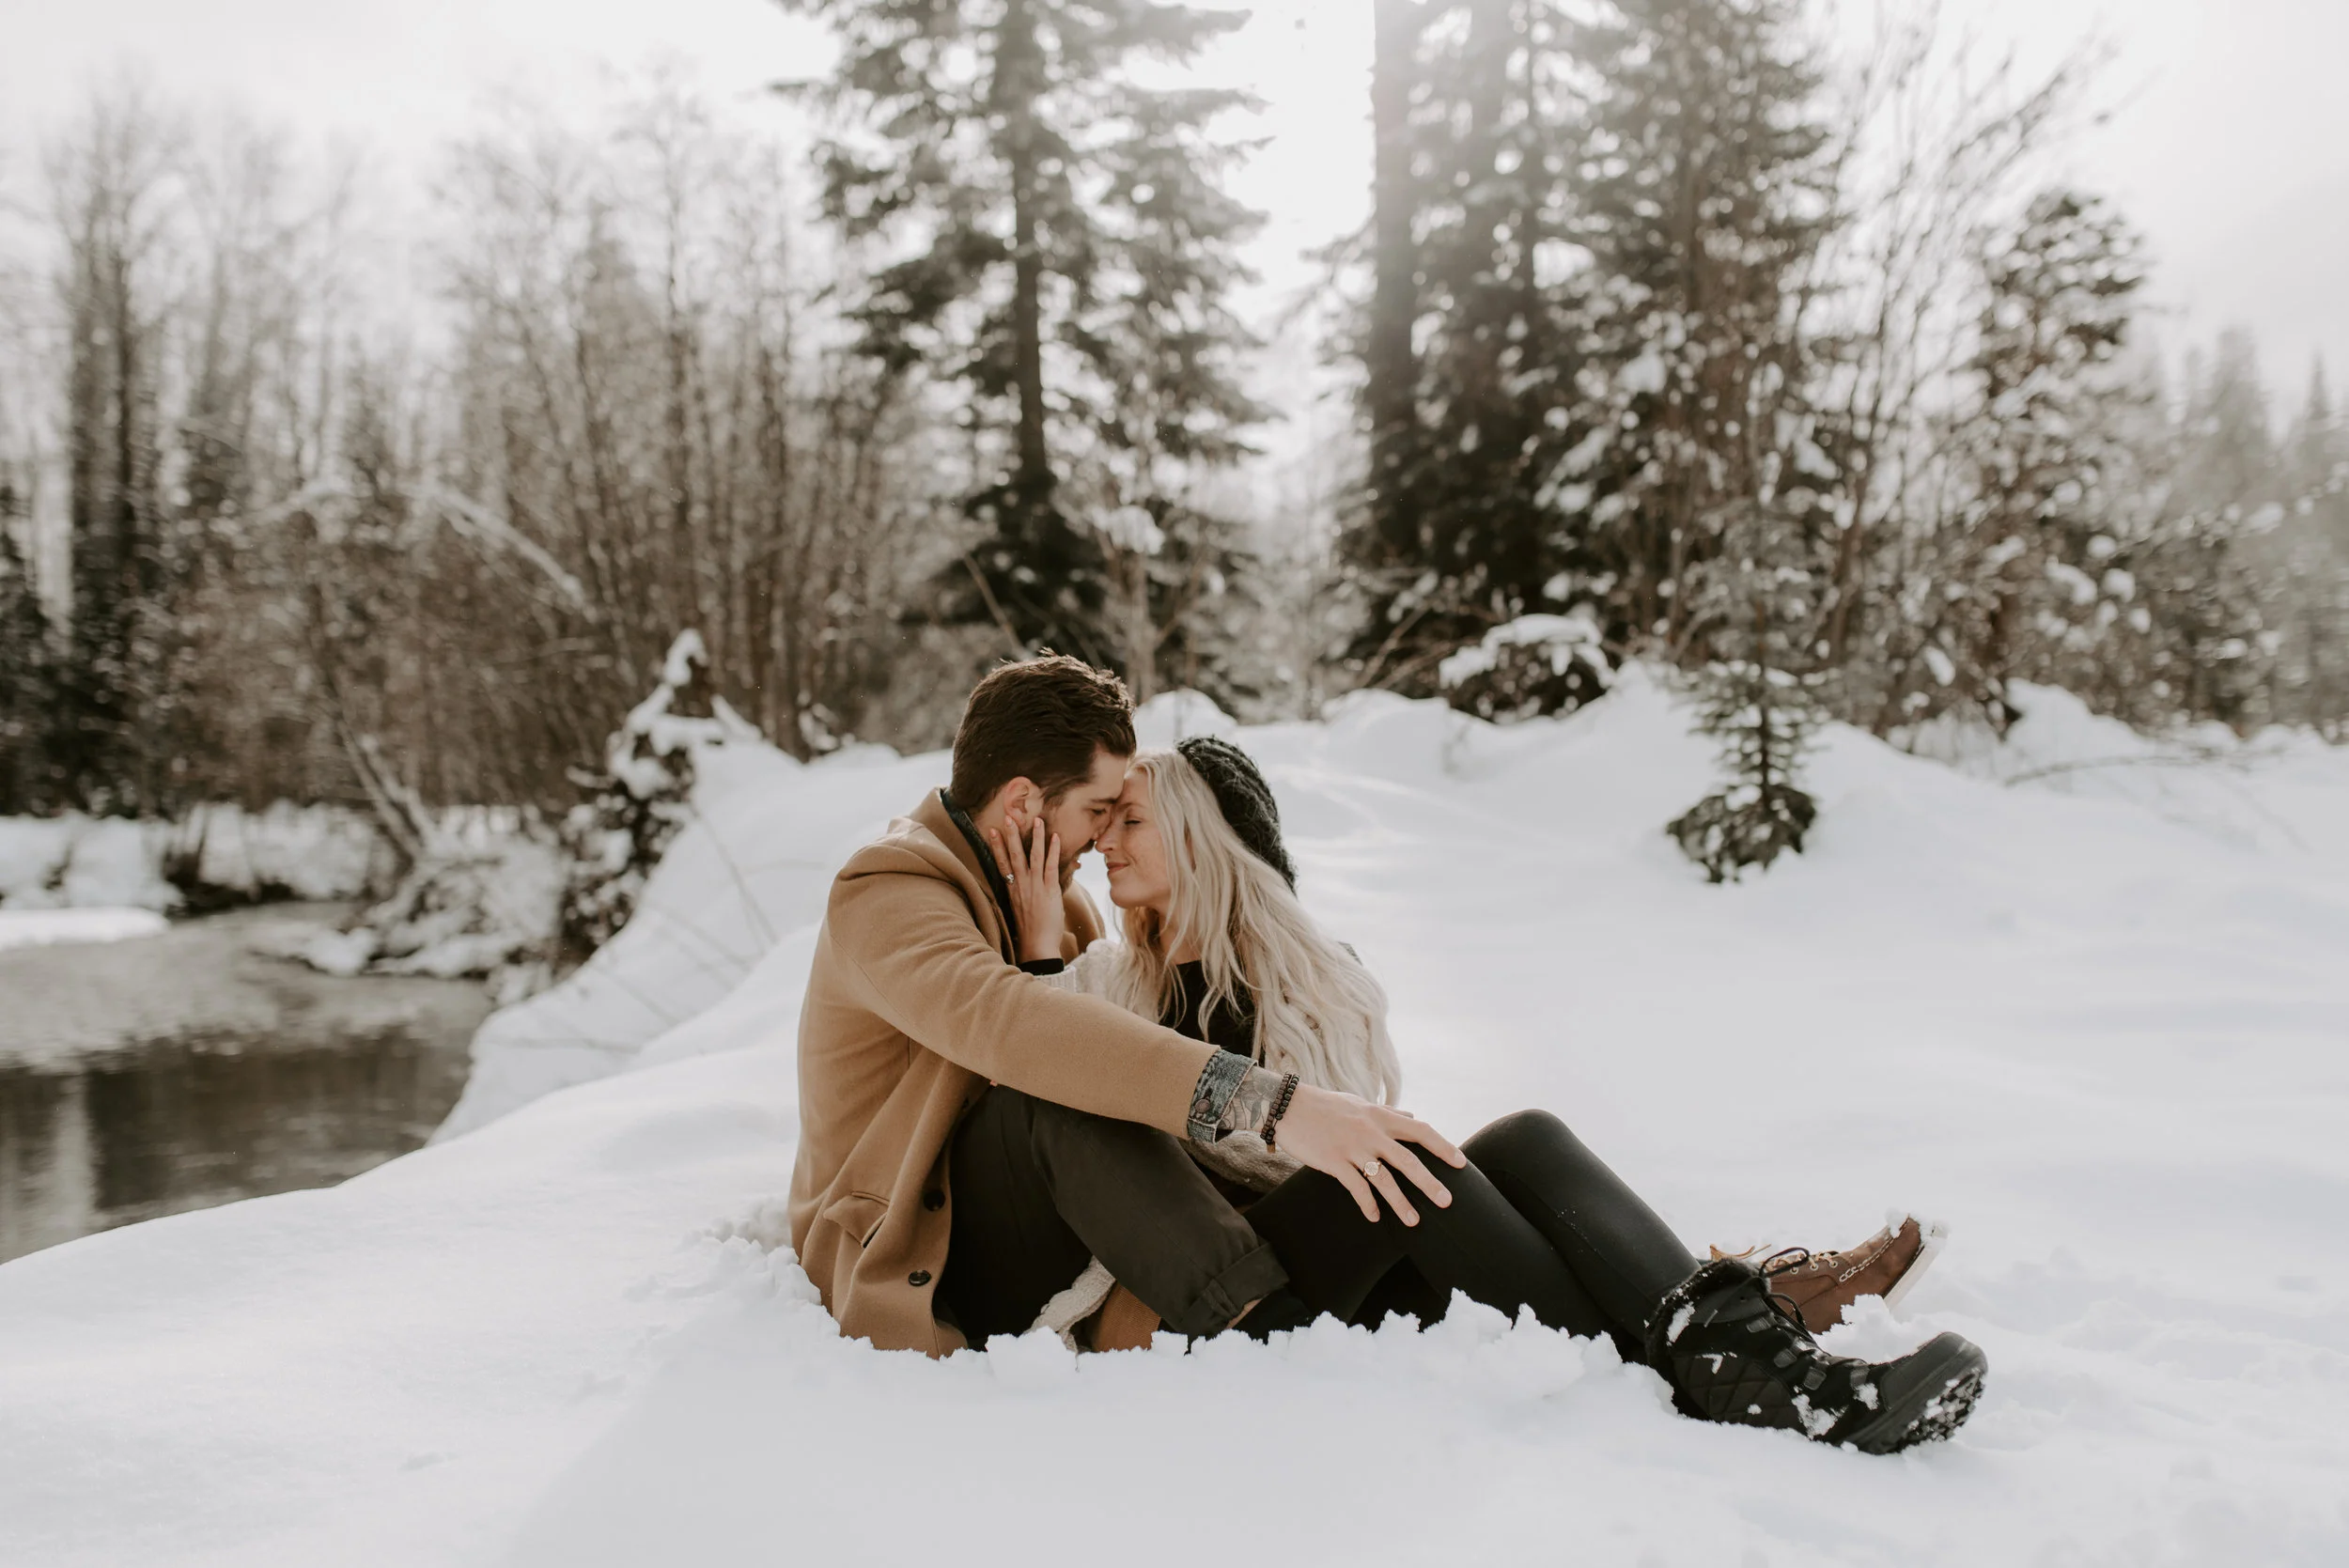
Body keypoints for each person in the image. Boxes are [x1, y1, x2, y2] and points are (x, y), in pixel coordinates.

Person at [788, 656, 1984, 1454]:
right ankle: (1718, 1349)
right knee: (1079, 1099)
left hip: (1186, 1248)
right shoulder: (891, 890)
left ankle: (1720, 1345)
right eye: (1098, 810)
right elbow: (1022, 1038)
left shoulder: (1055, 902)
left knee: (1492, 1145)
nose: (1105, 841)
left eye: (1121, 820)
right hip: (1001, 1275)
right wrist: (1276, 1110)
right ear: (1016, 806)